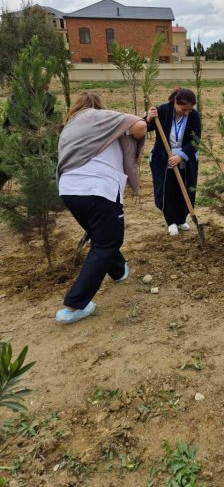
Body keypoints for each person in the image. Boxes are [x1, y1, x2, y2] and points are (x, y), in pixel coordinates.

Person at [56, 93, 146, 324]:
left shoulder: (70, 126)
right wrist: (128, 129)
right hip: (98, 188)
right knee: (107, 242)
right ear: (99, 106)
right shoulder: (102, 117)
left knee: (101, 235)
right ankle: (75, 305)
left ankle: (119, 271)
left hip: (68, 189)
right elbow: (140, 126)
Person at [146, 88, 201, 236]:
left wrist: (181, 156)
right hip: (164, 158)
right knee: (167, 189)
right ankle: (171, 221)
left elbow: (195, 140)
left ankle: (181, 219)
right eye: (184, 109)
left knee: (184, 189)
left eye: (189, 109)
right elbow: (146, 127)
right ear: (176, 102)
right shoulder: (162, 110)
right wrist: (149, 118)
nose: (187, 112)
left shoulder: (194, 116)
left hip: (185, 159)